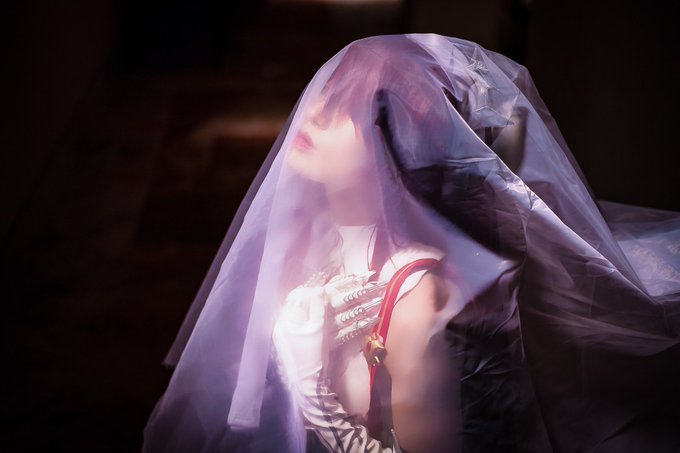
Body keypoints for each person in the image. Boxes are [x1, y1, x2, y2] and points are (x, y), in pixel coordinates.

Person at [143, 34, 680, 453]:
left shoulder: (419, 301)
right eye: (325, 93)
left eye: (348, 107)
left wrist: (310, 388)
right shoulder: (316, 231)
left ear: (400, 141)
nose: (315, 113)